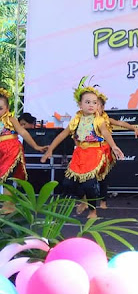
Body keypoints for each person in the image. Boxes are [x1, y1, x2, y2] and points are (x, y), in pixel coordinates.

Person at [41, 77, 124, 218]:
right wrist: (50, 149)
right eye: (87, 102)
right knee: (68, 184)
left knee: (89, 184)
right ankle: (83, 201)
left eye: (94, 103)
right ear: (80, 104)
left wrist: (114, 146)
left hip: (94, 153)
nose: (91, 105)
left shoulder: (99, 119)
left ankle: (93, 211)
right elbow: (63, 134)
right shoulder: (76, 119)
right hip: (79, 153)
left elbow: (105, 133)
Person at [0, 88, 48, 213]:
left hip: (11, 150)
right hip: (1, 152)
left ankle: (8, 206)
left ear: (7, 108)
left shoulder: (11, 120)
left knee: (8, 178)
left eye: (0, 108)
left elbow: (23, 133)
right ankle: (9, 204)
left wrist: (36, 146)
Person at [95, 94, 138, 209]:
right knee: (86, 178)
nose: (95, 108)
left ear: (102, 108)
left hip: (103, 151)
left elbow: (120, 123)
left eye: (98, 106)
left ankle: (103, 201)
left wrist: (134, 128)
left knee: (102, 177)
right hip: (89, 151)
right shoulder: (84, 121)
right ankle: (85, 201)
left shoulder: (106, 120)